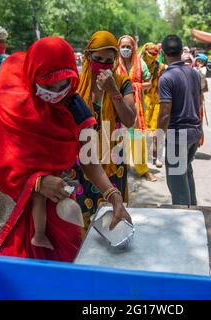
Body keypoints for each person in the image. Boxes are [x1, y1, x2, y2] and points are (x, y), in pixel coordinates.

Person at [0, 36, 132, 261]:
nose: (56, 92)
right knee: (12, 273)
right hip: (4, 197)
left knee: (58, 262)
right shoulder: (9, 98)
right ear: (33, 76)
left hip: (50, 198)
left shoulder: (74, 107)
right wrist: (36, 182)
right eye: (48, 86)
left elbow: (89, 161)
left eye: (64, 84)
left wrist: (115, 197)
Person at [74, 31, 136, 225]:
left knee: (111, 214)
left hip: (113, 160)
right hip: (83, 159)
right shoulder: (76, 83)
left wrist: (113, 91)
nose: (103, 64)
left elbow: (130, 120)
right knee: (83, 216)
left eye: (109, 60)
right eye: (98, 58)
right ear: (88, 56)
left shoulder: (122, 83)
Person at [158, 35, 203, 206]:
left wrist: (158, 138)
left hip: (177, 137)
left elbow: (164, 113)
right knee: (187, 173)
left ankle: (185, 217)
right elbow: (198, 102)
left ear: (163, 53)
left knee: (177, 186)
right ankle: (195, 211)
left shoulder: (166, 78)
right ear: (181, 50)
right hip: (193, 133)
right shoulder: (193, 73)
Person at [117, 35, 156, 182]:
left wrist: (134, 87)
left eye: (128, 46)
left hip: (136, 106)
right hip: (118, 106)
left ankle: (143, 169)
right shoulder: (114, 64)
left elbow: (149, 83)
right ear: (118, 48)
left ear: (133, 47)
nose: (125, 49)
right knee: (119, 137)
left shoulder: (140, 64)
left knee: (137, 138)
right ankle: (122, 166)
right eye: (123, 46)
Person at [140, 43, 167, 168]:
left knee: (157, 132)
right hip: (142, 101)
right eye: (151, 53)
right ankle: (143, 158)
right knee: (141, 131)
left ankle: (156, 157)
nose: (152, 55)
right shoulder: (138, 65)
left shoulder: (160, 67)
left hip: (156, 102)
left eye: (155, 53)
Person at [195, 53, 209, 146]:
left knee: (198, 117)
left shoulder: (203, 69)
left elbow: (202, 74)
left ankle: (198, 141)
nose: (199, 63)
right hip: (194, 94)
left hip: (199, 95)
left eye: (201, 61)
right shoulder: (195, 69)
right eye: (198, 61)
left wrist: (199, 68)